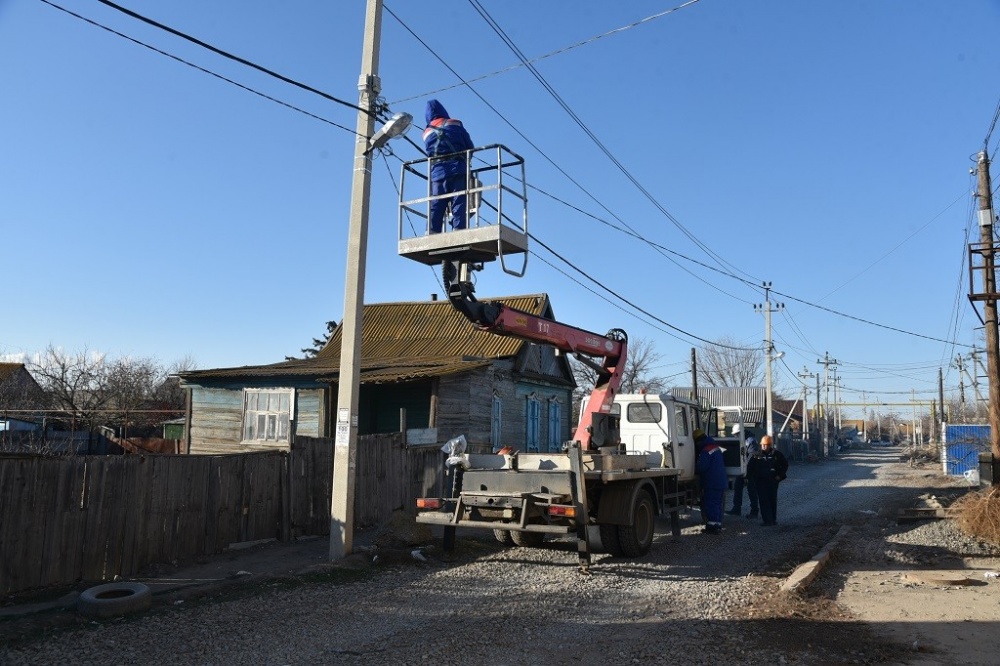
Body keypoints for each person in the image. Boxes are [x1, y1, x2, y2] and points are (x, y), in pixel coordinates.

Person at [422, 99, 475, 234]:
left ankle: (432, 231)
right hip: (458, 167)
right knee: (459, 200)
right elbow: (470, 146)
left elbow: (430, 153)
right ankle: (458, 229)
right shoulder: (455, 123)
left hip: (438, 172)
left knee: (437, 203)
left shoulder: (426, 133)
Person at [694, 428, 727, 534]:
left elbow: (701, 467)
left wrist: (694, 468)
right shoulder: (716, 447)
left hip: (711, 482)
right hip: (720, 481)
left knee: (710, 503)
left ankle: (712, 527)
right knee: (717, 504)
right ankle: (717, 525)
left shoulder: (706, 450)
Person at [726, 424, 760, 518]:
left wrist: (746, 474)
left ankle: (754, 511)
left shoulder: (751, 441)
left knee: (752, 489)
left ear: (742, 432)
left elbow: (752, 458)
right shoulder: (743, 440)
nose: (735, 436)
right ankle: (736, 509)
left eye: (736, 434)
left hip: (751, 470)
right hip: (744, 469)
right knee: (738, 486)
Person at [755, 435, 789, 527]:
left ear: (769, 445)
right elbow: (751, 468)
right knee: (763, 500)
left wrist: (780, 476)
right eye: (762, 445)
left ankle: (773, 519)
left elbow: (785, 465)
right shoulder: (757, 455)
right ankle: (767, 520)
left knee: (772, 500)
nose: (764, 447)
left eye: (766, 445)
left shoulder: (777, 455)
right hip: (761, 482)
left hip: (772, 481)